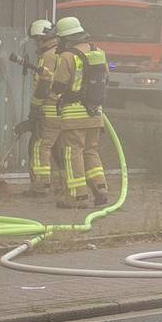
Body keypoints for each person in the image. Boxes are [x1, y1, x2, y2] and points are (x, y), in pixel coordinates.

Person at [57, 16, 112, 207]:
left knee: (73, 153)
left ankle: (77, 196)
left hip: (74, 115)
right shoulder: (99, 52)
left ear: (66, 38)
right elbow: (106, 79)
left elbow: (59, 86)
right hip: (95, 113)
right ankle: (101, 190)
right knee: (91, 151)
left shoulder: (67, 56)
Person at [37, 16, 82, 201]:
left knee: (43, 145)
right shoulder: (89, 54)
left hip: (57, 108)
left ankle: (43, 185)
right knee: (76, 151)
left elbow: (53, 85)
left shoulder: (58, 57)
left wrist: (35, 107)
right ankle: (95, 190)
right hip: (81, 110)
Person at [24, 18, 61, 193]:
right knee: (61, 150)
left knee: (39, 146)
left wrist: (34, 109)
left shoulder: (48, 56)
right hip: (65, 111)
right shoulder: (63, 53)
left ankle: (40, 185)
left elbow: (43, 87)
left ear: (41, 39)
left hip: (50, 110)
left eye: (35, 41)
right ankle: (64, 185)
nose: (35, 45)